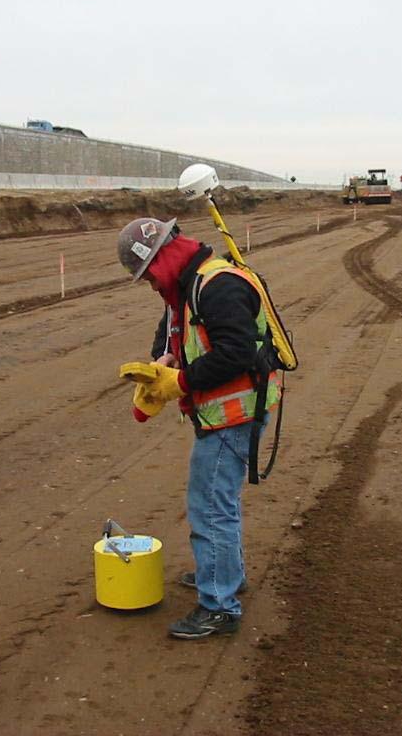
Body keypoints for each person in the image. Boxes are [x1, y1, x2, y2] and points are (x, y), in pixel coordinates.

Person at [116, 216, 279, 640]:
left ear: (164, 256)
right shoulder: (183, 290)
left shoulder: (216, 285)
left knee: (209, 506)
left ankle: (219, 605)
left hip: (234, 414)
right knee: (218, 501)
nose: (150, 284)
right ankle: (226, 573)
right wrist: (162, 364)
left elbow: (237, 351)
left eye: (148, 274)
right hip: (218, 413)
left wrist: (182, 382)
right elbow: (173, 336)